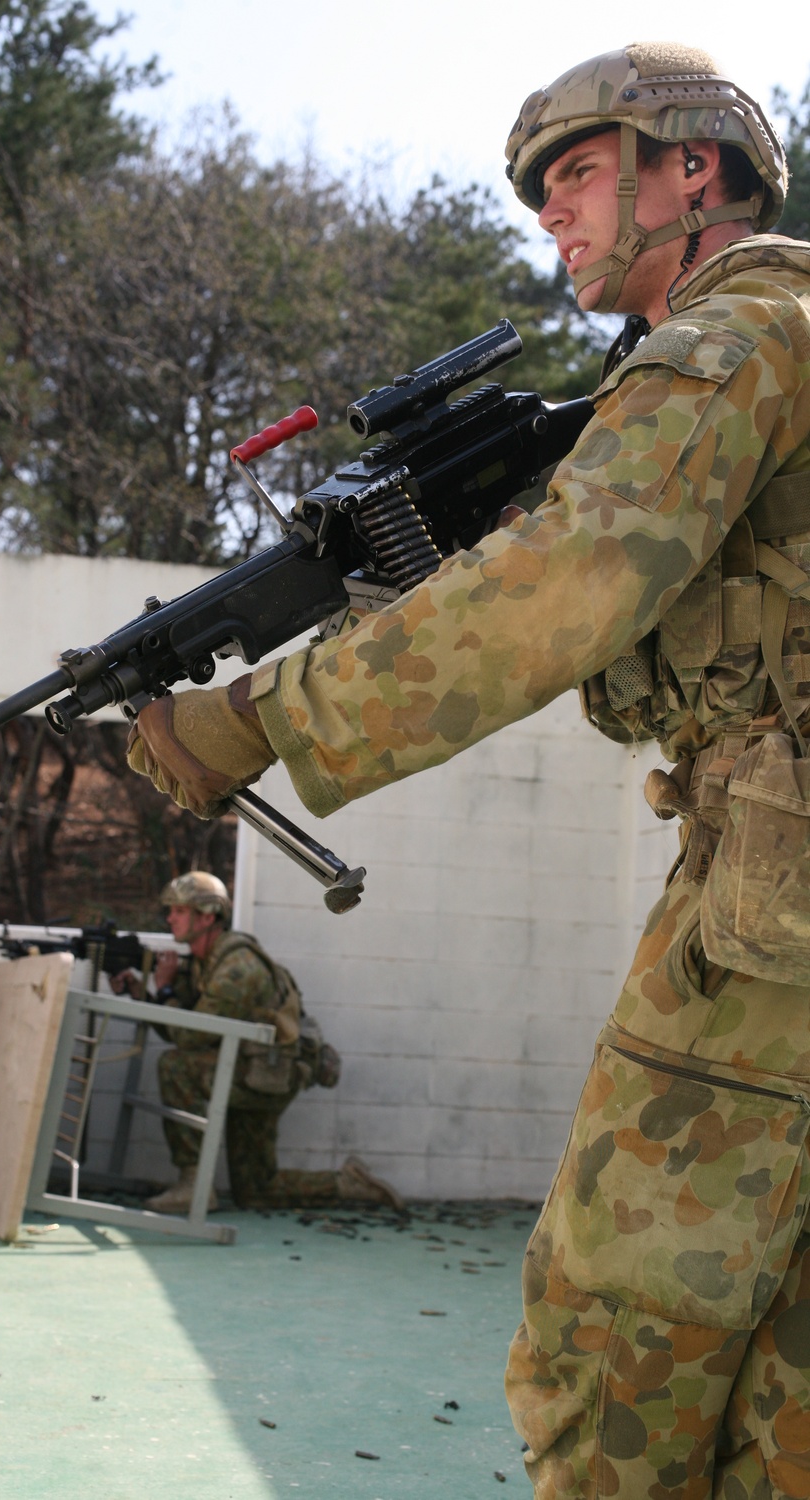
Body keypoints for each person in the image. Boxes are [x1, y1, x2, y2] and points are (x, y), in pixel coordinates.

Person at [124, 42, 810, 1497]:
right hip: (770, 878)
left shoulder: (736, 338)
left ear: (693, 170)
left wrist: (254, 716)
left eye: (579, 171)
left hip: (777, 916)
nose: (551, 211)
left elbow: (563, 588)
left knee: (617, 1324)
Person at [111, 871, 403, 1215]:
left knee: (175, 1065)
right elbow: (182, 1028)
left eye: (179, 910)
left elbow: (190, 1037)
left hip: (266, 1076)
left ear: (207, 916)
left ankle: (193, 1185)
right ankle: (348, 1184)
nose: (170, 918)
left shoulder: (237, 967)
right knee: (256, 1190)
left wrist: (164, 989)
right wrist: (143, 995)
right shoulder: (208, 961)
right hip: (257, 1070)